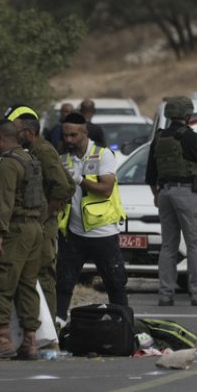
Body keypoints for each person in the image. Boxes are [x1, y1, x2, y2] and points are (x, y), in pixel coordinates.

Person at [0, 119, 45, 361]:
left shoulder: (6, 164)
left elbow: (4, 201)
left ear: (1, 139)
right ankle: (30, 342)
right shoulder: (30, 160)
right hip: (34, 228)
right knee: (27, 285)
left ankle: (3, 340)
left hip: (14, 230)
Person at [7, 105, 75, 338]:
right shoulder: (31, 151)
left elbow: (64, 186)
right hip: (36, 223)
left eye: (16, 130)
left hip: (43, 225)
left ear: (28, 132)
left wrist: (48, 213)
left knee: (44, 275)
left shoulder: (42, 151)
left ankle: (48, 333)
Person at [56, 112, 128, 322]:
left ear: (84, 132)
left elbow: (106, 189)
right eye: (65, 135)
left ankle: (123, 326)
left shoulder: (103, 155)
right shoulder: (64, 159)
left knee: (115, 283)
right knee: (63, 284)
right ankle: (57, 327)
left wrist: (79, 180)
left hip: (102, 231)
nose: (68, 140)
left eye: (73, 135)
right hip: (73, 232)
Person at [146, 97, 197, 306]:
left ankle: (165, 295)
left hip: (164, 192)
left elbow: (150, 174)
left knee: (168, 245)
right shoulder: (189, 136)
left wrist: (156, 194)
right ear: (187, 115)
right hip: (185, 192)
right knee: (196, 244)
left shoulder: (159, 137)